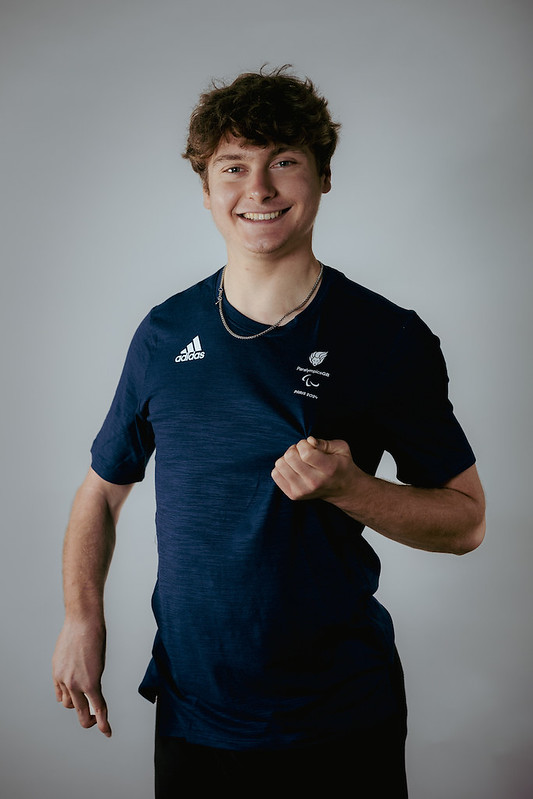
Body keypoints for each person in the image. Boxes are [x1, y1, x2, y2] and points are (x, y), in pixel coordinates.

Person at [52, 67, 485, 797]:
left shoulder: (385, 337)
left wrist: (352, 488)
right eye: (233, 167)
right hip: (194, 716)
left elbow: (465, 520)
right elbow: (102, 488)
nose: (258, 189)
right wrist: (80, 617)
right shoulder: (164, 333)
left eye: (283, 161)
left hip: (341, 719)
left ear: (320, 178)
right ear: (205, 188)